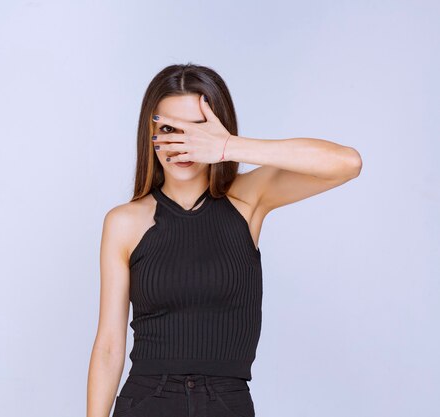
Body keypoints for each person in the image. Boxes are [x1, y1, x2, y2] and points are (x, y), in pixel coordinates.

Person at [86, 63, 362, 417]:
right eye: (169, 129)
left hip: (226, 403)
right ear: (150, 134)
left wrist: (229, 147)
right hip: (146, 402)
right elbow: (109, 345)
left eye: (195, 132)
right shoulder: (124, 222)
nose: (182, 144)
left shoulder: (248, 200)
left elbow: (347, 163)